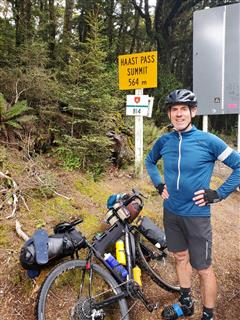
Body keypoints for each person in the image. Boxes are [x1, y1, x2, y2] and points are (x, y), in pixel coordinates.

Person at [145, 89, 240, 320]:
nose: (178, 114)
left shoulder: (208, 141)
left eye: (183, 109)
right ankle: (186, 302)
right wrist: (159, 184)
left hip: (197, 216)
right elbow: (149, 161)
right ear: (169, 114)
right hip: (171, 213)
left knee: (204, 269)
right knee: (179, 257)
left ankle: (208, 315)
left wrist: (218, 193)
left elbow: (239, 166)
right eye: (174, 110)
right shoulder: (165, 141)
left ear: (193, 112)